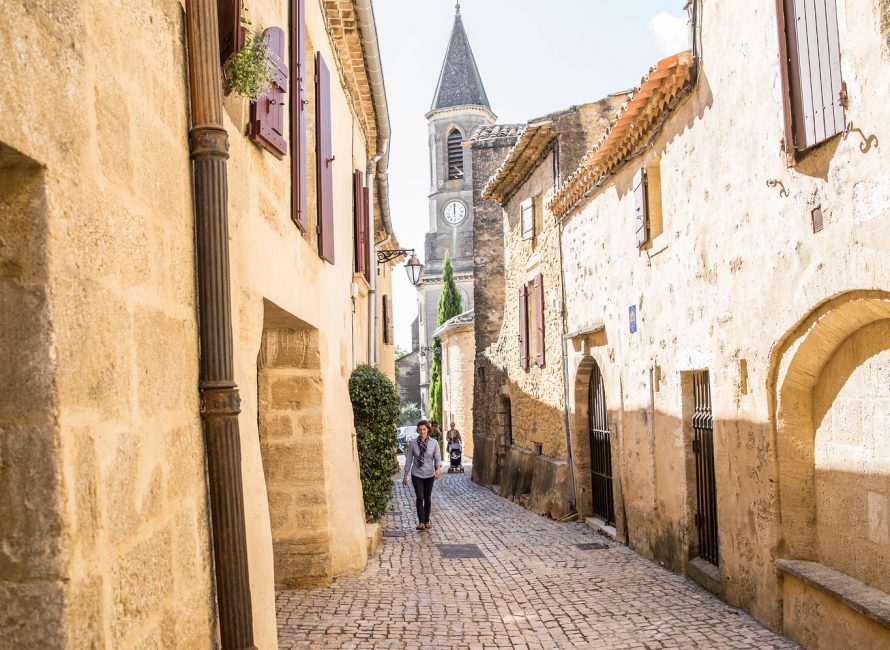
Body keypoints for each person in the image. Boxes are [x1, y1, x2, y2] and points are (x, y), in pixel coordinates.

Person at [402, 419, 442, 530]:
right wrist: (405, 475)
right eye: (420, 430)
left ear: (428, 430)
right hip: (417, 474)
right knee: (420, 497)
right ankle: (421, 522)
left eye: (424, 429)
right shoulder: (413, 443)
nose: (422, 432)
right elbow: (409, 459)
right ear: (417, 430)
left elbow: (437, 457)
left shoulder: (434, 443)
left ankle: (427, 520)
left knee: (427, 497)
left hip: (429, 474)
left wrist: (438, 469)